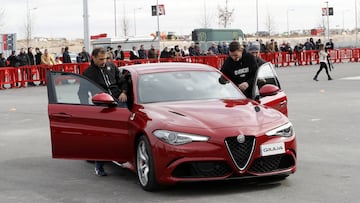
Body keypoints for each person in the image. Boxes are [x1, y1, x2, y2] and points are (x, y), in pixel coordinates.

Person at [78, 47, 129, 176]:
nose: (104, 61)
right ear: (93, 58)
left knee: (124, 132)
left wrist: (124, 92)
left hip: (119, 101)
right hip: (102, 105)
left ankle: (124, 157)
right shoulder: (88, 73)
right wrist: (86, 109)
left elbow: (122, 80)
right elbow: (82, 93)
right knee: (103, 136)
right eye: (101, 59)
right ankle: (99, 165)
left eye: (106, 58)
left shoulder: (112, 66)